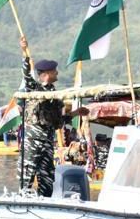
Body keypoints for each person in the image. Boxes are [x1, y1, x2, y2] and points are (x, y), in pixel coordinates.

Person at [18, 36, 88, 195]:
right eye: (54, 71)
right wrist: (24, 52)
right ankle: (23, 203)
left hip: (48, 142)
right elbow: (27, 77)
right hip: (33, 141)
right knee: (27, 176)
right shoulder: (35, 89)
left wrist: (77, 113)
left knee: (47, 178)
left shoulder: (55, 94)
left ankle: (45, 203)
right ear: (46, 74)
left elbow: (59, 121)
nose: (57, 73)